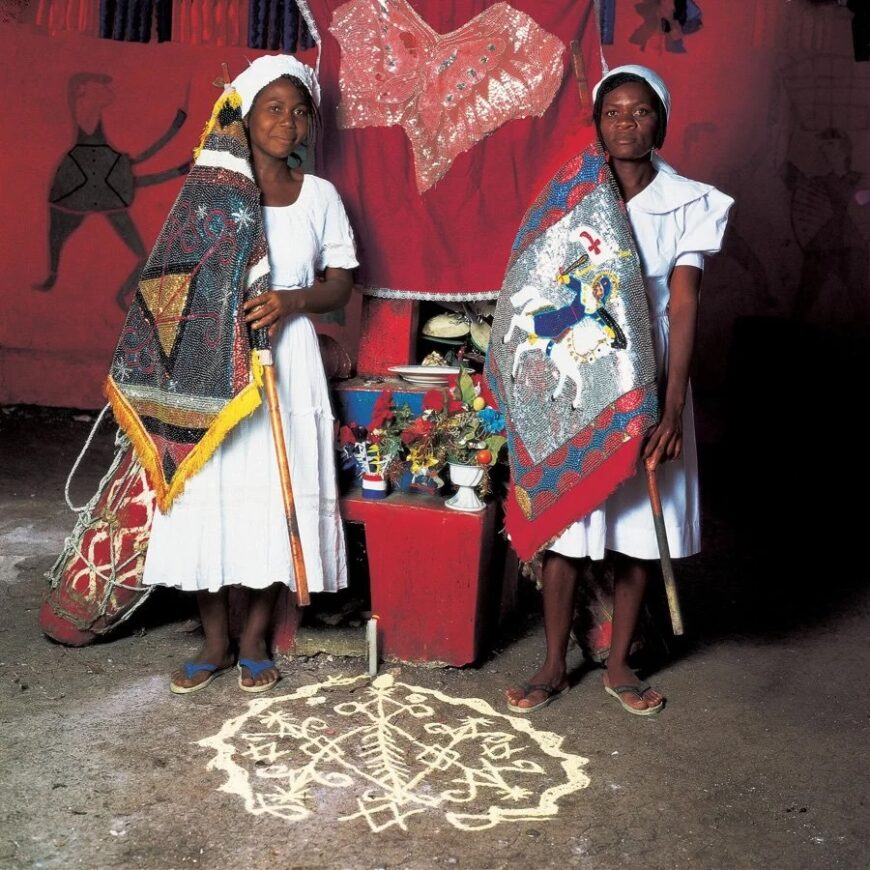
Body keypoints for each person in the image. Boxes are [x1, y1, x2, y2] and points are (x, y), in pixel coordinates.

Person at [504, 64, 733, 715]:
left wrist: (672, 404)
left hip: (653, 376)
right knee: (569, 521)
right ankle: (552, 664)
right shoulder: (575, 197)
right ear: (597, 124)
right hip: (585, 368)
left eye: (640, 111)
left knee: (638, 524)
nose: (626, 123)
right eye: (613, 113)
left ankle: (619, 664)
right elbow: (542, 282)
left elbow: (683, 305)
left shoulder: (689, 201)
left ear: (661, 121)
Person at [141, 55, 357, 694]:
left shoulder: (319, 196)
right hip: (215, 365)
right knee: (211, 493)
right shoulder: (210, 194)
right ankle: (214, 642)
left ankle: (256, 638)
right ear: (244, 115)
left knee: (274, 495)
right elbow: (175, 278)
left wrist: (291, 301)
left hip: (287, 364)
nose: (288, 123)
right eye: (274, 109)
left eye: (299, 112)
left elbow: (340, 285)